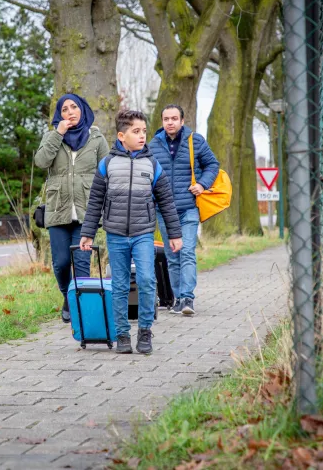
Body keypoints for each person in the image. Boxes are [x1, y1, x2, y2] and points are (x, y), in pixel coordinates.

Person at [79, 110, 183, 355]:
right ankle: (123, 334)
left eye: (144, 131)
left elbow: (166, 201)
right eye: (136, 131)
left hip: (143, 233)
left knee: (147, 280)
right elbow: (95, 201)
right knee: (120, 285)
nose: (142, 136)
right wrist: (87, 233)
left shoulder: (153, 165)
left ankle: (145, 330)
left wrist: (175, 234)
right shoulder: (107, 164)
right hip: (115, 234)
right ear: (121, 135)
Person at [34, 94, 110, 324]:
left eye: (74, 107)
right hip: (58, 210)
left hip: (87, 211)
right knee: (60, 262)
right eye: (64, 109)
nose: (70, 112)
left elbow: (107, 171)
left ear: (82, 109)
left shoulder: (96, 138)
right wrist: (58, 134)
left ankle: (82, 309)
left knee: (82, 262)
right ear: (60, 115)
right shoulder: (51, 137)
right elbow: (41, 162)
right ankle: (68, 297)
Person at [149, 104, 220, 316]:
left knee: (187, 251)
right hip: (164, 210)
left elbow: (212, 165)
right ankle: (178, 297)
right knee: (172, 254)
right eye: (166, 119)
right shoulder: (152, 145)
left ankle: (188, 297)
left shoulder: (195, 141)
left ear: (182, 120)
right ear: (162, 122)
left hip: (188, 207)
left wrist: (202, 185)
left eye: (174, 118)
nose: (170, 122)